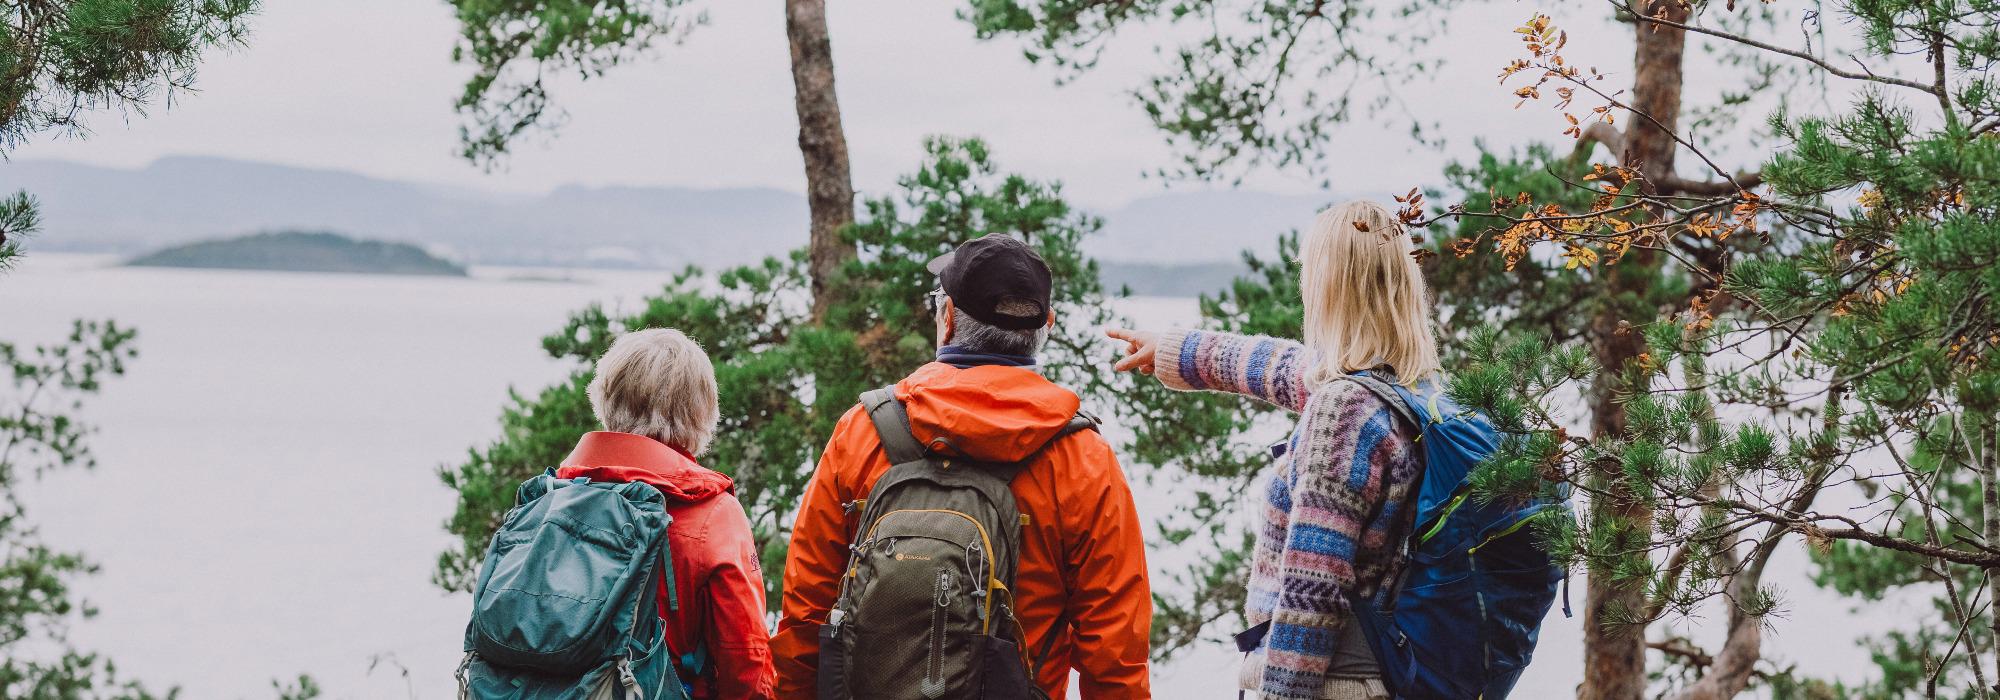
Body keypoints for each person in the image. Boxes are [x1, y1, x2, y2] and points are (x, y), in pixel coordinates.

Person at [773, 234, 1153, 699]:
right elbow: (1115, 646)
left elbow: (806, 607)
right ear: (1046, 325)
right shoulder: (1082, 458)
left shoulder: (863, 431)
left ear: (946, 317)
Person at [1108, 201, 1434, 700]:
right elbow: (1281, 366)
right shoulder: (1409, 393)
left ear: (1331, 286)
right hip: (1382, 676)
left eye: (1310, 271)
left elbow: (1313, 590)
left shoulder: (1343, 411)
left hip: (1331, 685)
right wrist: (1176, 350)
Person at [552, 328, 776, 699]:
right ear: (701, 411)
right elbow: (746, 664)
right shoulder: (712, 515)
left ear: (605, 398)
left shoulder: (552, 498)